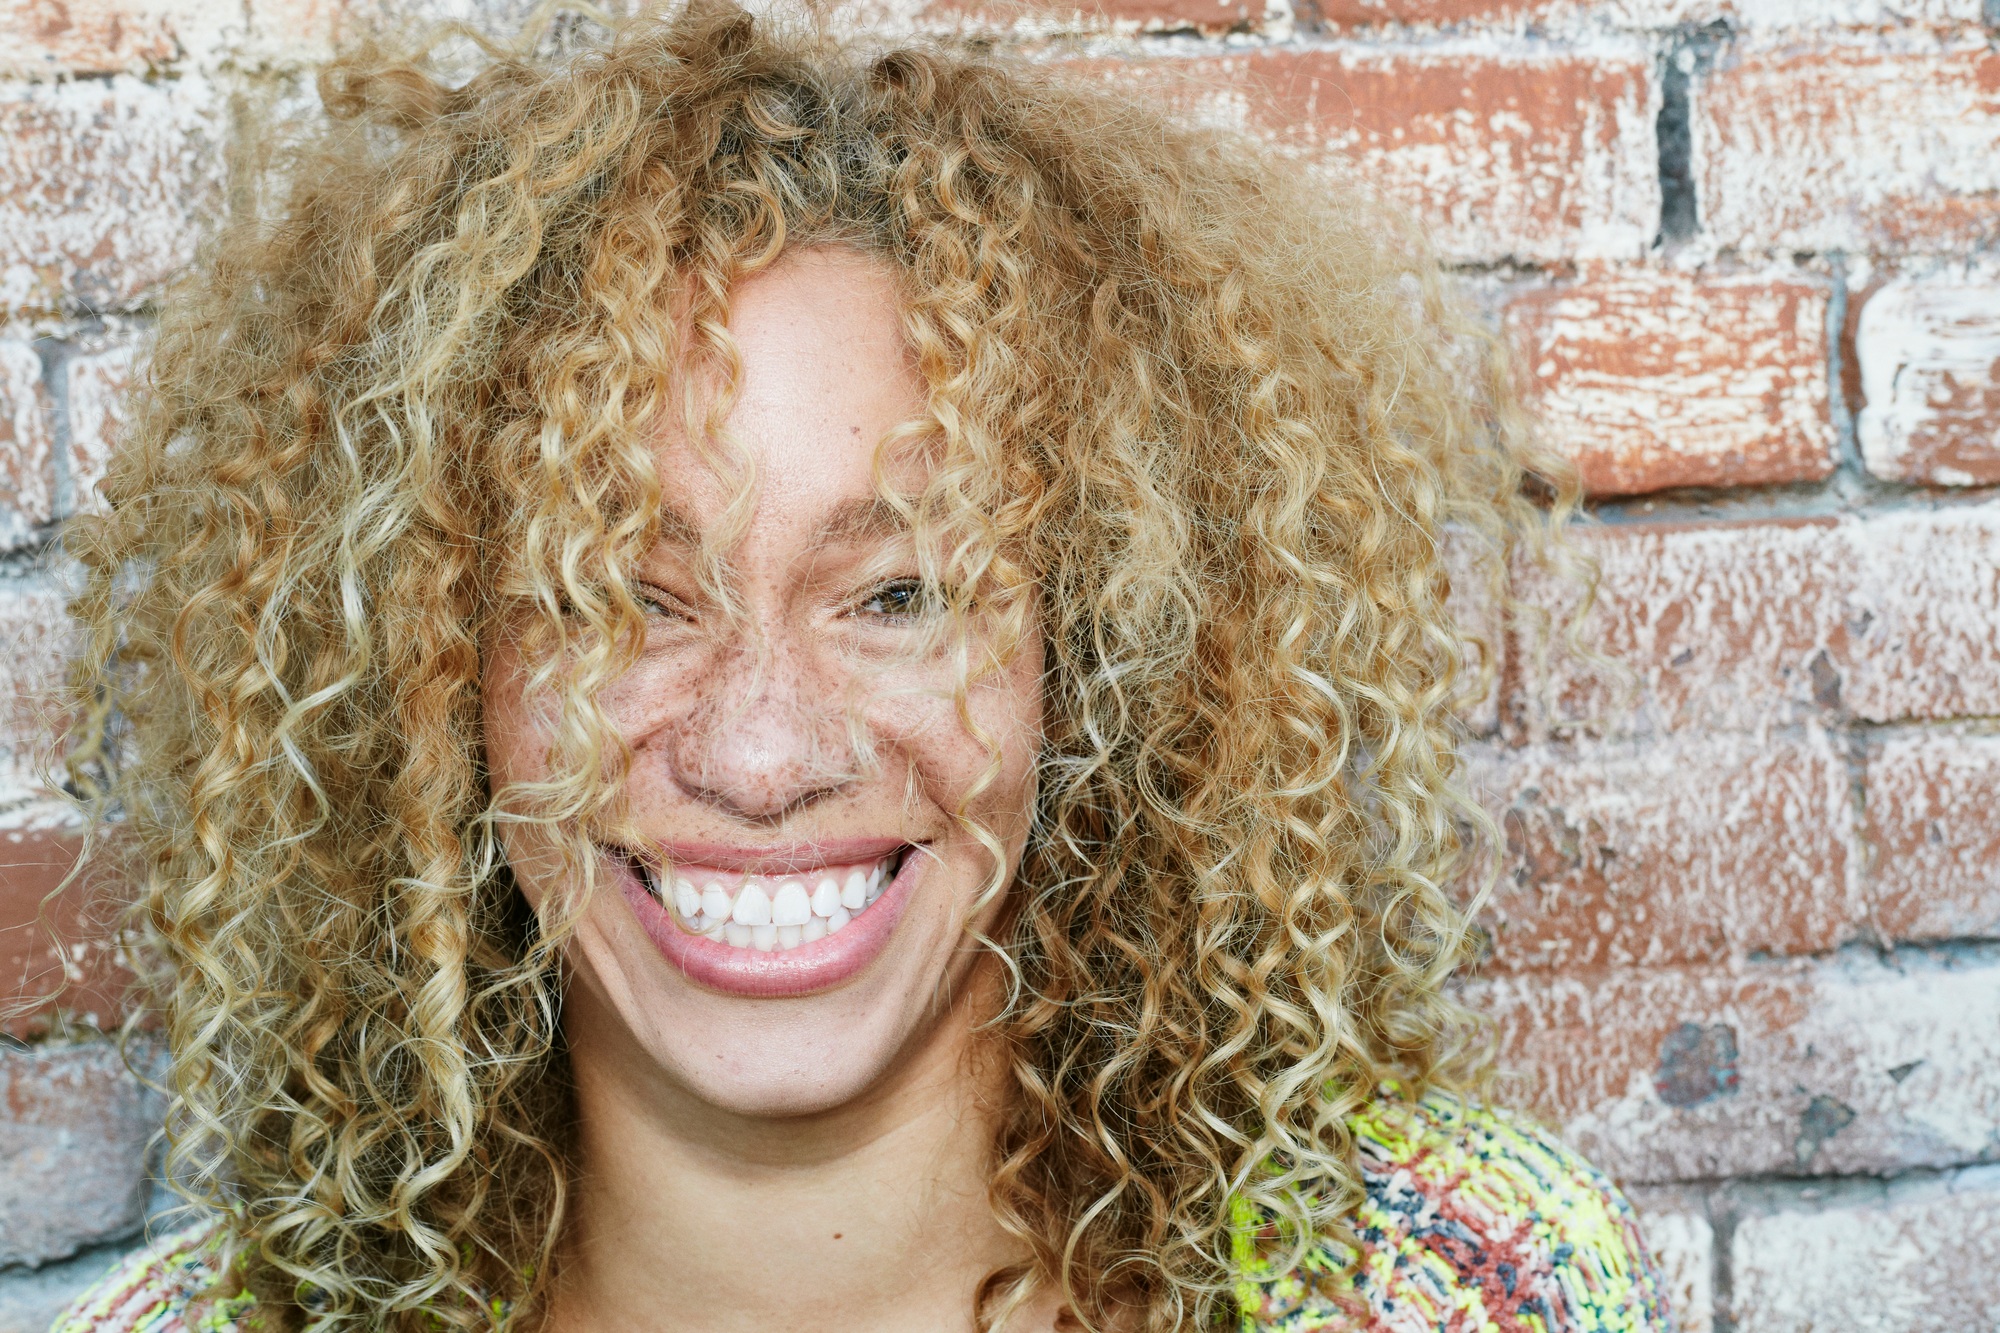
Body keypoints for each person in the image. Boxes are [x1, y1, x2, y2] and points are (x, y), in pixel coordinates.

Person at [51, 6, 1672, 1331]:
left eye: (898, 593)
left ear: (1089, 649)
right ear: (429, 679)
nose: (763, 755)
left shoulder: (1458, 1286)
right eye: (623, 594)